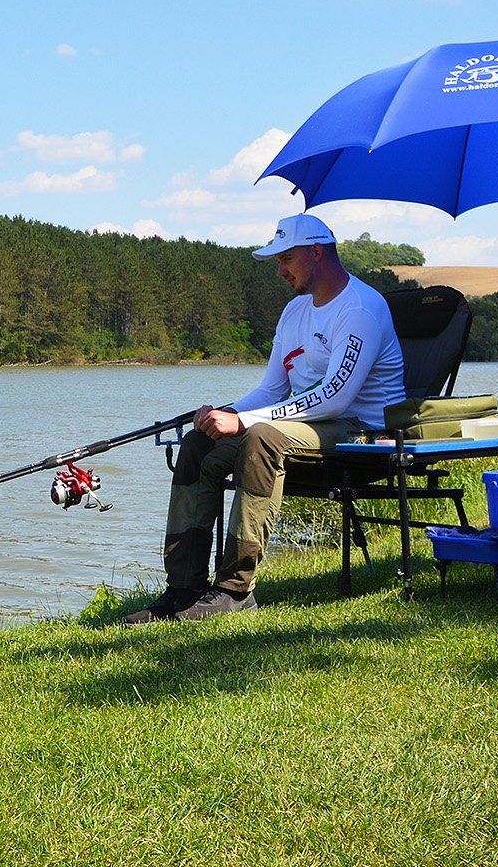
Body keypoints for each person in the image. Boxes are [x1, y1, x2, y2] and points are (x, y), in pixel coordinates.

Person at [121, 213, 405, 625]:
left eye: (286, 259)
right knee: (199, 443)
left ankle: (236, 590)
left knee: (262, 438)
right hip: (311, 424)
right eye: (277, 261)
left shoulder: (361, 309)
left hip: (362, 432)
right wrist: (228, 412)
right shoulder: (294, 313)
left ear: (317, 252)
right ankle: (183, 588)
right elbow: (272, 390)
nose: (280, 270)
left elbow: (336, 398)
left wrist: (245, 423)